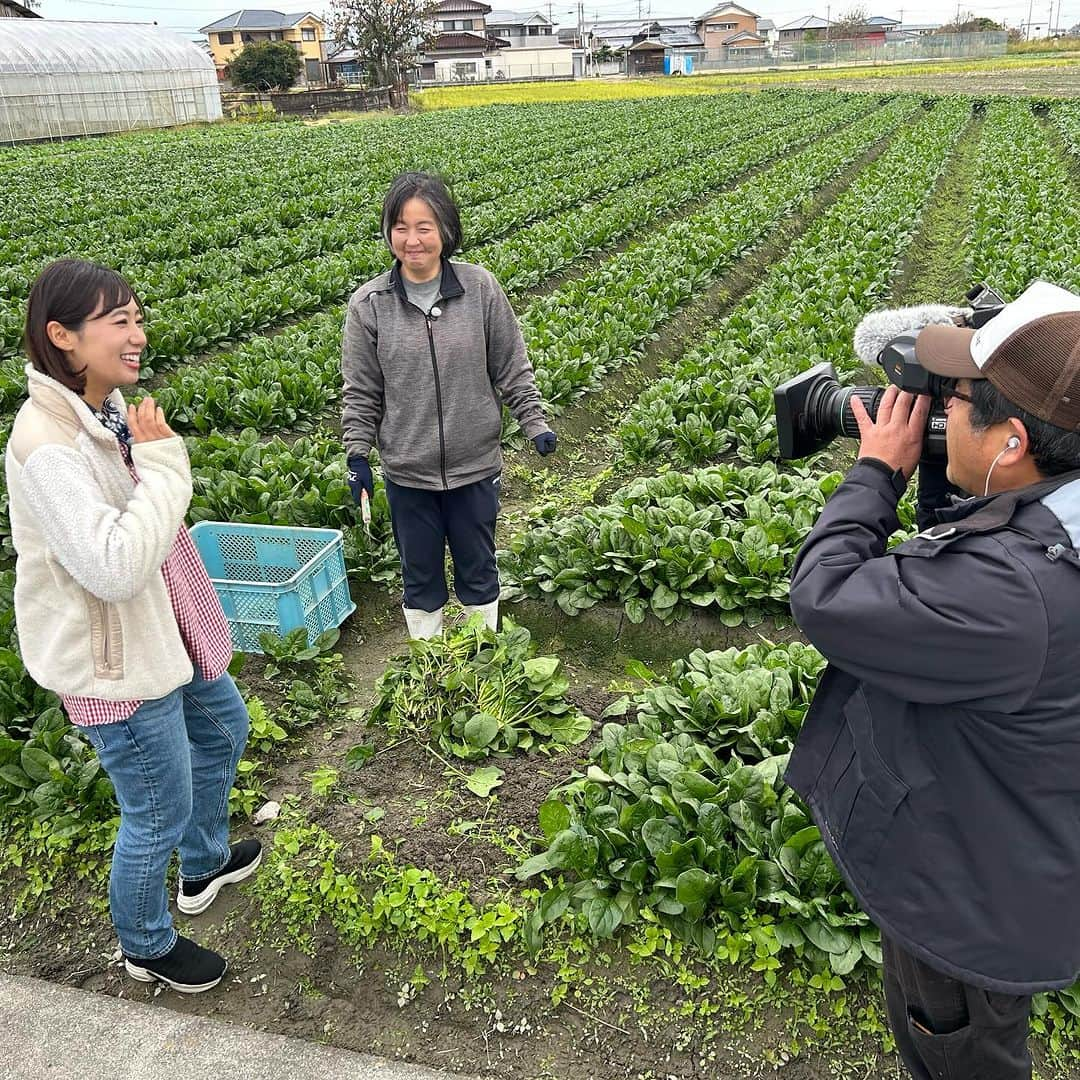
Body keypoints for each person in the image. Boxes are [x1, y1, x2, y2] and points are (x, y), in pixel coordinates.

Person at [785, 279, 1080, 1079]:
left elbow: (827, 599)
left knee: (957, 1053)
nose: (940, 416)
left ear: (1015, 442)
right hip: (1017, 850)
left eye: (956, 404)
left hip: (966, 906)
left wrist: (876, 473)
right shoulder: (1054, 518)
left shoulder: (1010, 593)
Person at [6, 259, 260, 994]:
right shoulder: (46, 446)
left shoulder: (100, 407)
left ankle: (204, 864)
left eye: (137, 317)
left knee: (223, 730)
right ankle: (145, 944)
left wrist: (149, 463)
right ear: (63, 336)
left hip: (164, 630)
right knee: (155, 810)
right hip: (113, 657)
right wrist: (166, 471)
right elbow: (113, 567)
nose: (138, 334)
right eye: (119, 321)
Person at [341, 171, 556, 640]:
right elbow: (362, 390)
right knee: (419, 577)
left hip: (474, 465)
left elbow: (510, 363)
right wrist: (357, 455)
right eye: (400, 226)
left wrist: (533, 420)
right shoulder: (370, 305)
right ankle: (431, 667)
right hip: (408, 471)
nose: (412, 239)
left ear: (446, 230)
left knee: (478, 568)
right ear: (388, 232)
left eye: (425, 226)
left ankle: (481, 659)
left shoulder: (479, 289)